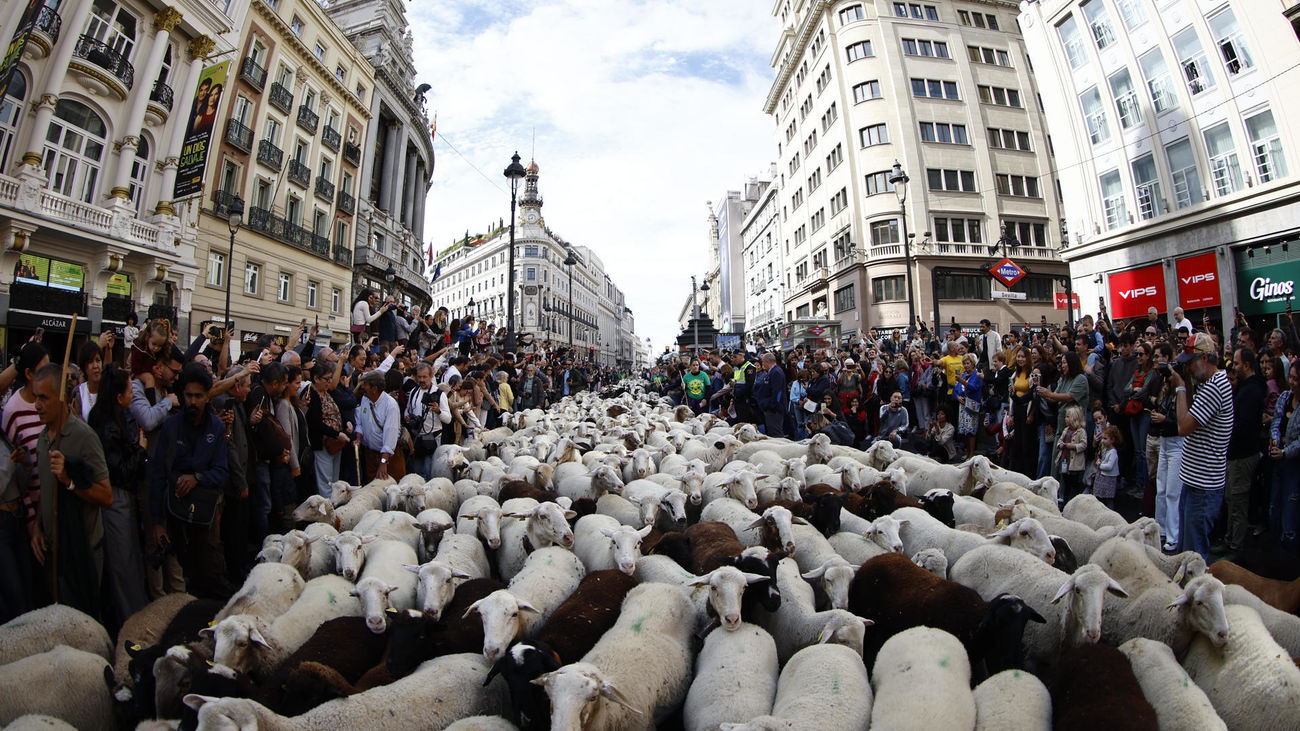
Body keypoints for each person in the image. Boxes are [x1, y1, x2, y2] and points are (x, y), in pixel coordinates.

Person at [32, 362, 113, 619]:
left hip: (84, 553)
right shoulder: (42, 439)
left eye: (43, 398)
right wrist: (37, 526)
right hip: (54, 554)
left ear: (61, 398)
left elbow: (107, 496)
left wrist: (70, 480)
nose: (37, 405)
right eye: (35, 397)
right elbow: (45, 491)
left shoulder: (84, 437)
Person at [148, 363, 229, 599]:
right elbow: (159, 475)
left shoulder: (216, 426)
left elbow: (221, 471)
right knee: (181, 574)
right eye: (188, 395)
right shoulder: (171, 428)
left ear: (207, 396)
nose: (193, 401)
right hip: (175, 515)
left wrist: (197, 478)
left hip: (205, 518)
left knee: (209, 575)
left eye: (198, 396)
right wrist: (157, 522)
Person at [86, 363, 149, 627]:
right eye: (128, 391)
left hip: (118, 499)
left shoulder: (106, 419)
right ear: (118, 396)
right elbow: (121, 470)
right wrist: (141, 450)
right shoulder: (110, 427)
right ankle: (133, 624)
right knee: (124, 565)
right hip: (116, 500)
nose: (131, 396)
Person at [1166, 332, 1234, 560]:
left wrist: (1180, 388)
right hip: (1198, 481)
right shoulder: (1212, 383)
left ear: (1204, 358)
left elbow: (1184, 427)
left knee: (1193, 556)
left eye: (1191, 363)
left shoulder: (1214, 387)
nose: (1189, 369)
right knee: (1187, 553)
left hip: (1203, 486)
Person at [1222, 347, 1265, 556]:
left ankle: (1236, 547)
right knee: (1232, 499)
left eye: (1237, 364)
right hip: (1236, 454)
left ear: (1247, 365)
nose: (1233, 367)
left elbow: (1243, 427)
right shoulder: (1246, 388)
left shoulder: (1251, 391)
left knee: (1238, 501)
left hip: (1243, 454)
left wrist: (1225, 430)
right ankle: (1230, 539)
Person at [1149, 343, 1183, 552]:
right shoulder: (1166, 393)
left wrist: (1164, 419)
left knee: (1172, 491)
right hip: (1165, 442)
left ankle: (1173, 535)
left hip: (1178, 444)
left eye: (1169, 377)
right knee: (1161, 488)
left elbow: (1182, 422)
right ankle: (1160, 529)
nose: (1166, 380)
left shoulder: (1182, 394)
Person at [1268, 364, 1300, 553]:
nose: (1292, 382)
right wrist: (1275, 441)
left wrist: (1286, 452)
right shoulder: (1285, 397)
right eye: (1291, 377)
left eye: (1296, 379)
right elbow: (1276, 421)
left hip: (1294, 466)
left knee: (1290, 512)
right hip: (1278, 461)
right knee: (1274, 509)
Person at [356, 370, 404, 482]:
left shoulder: (390, 405)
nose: (363, 387)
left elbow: (390, 435)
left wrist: (383, 462)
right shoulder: (365, 399)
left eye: (365, 385)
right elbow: (360, 421)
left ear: (374, 389)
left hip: (389, 459)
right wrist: (358, 437)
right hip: (371, 456)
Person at [1057, 405, 1088, 505]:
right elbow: (1060, 440)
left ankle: (1074, 504)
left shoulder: (1081, 431)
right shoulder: (1066, 430)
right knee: (1066, 483)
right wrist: (1060, 445)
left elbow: (1084, 445)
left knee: (1074, 485)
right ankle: (1065, 502)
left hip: (1075, 464)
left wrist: (1073, 446)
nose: (1065, 419)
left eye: (1068, 416)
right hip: (1065, 461)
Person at [954, 354, 982, 459]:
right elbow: (956, 389)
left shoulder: (977, 375)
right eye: (964, 363)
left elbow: (974, 388)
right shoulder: (963, 374)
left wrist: (963, 382)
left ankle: (971, 454)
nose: (966, 366)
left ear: (973, 363)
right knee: (965, 431)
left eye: (968, 363)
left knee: (971, 431)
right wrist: (957, 397)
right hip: (962, 405)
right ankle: (967, 452)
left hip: (972, 405)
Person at [753, 352, 787, 438]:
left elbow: (778, 393)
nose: (763, 365)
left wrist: (771, 405)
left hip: (774, 410)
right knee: (771, 432)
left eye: (763, 362)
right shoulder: (771, 372)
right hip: (770, 409)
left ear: (767, 361)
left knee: (775, 433)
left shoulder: (776, 372)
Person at [1092, 425, 1122, 509]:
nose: (1102, 441)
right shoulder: (1106, 450)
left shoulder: (1113, 452)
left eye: (1105, 439)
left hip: (1108, 479)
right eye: (1102, 438)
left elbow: (1109, 466)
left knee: (1108, 499)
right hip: (1102, 476)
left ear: (1112, 440)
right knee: (1100, 497)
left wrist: (1100, 465)